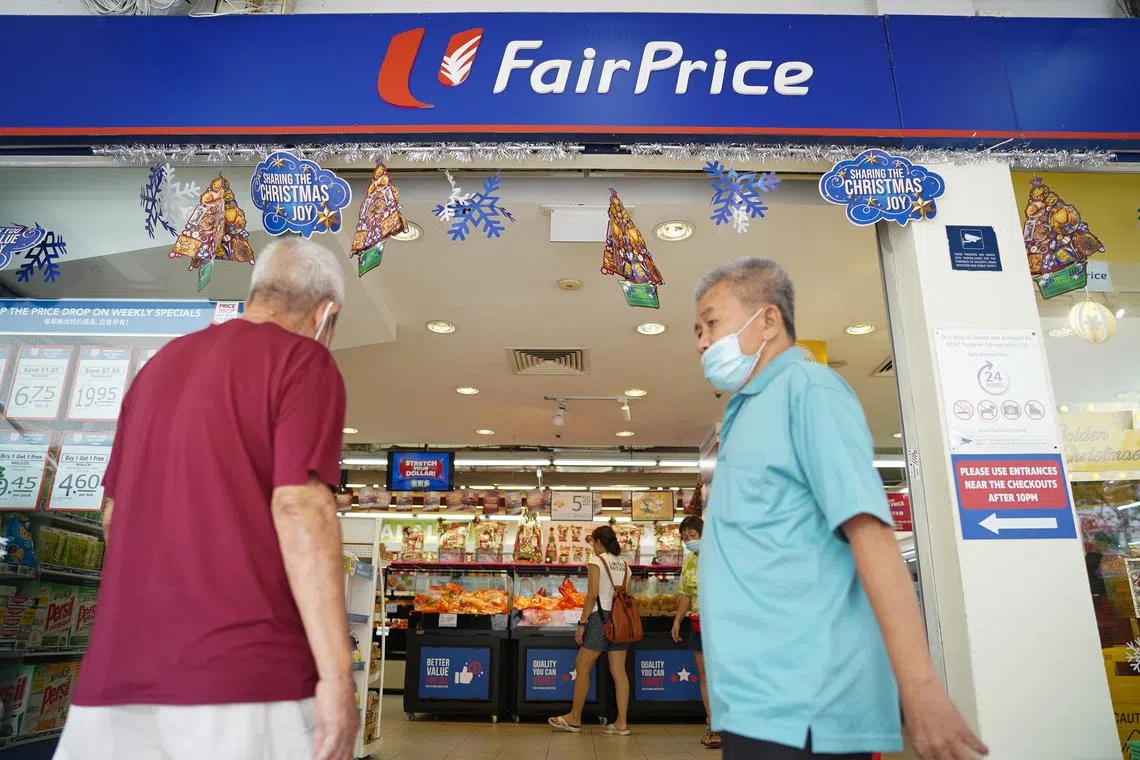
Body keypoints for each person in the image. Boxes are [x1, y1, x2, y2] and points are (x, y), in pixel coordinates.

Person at [56, 237, 358, 760]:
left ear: (255, 294)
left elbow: (113, 517)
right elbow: (300, 508)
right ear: (325, 313)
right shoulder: (302, 361)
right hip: (243, 679)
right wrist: (337, 678)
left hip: (116, 680)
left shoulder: (158, 368)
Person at [693, 257, 989, 760]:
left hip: (806, 699)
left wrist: (919, 687)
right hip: (754, 698)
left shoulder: (810, 391)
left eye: (712, 322)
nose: (701, 342)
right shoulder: (745, 411)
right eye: (697, 331)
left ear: (767, 320)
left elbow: (870, 534)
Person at [548, 525, 633, 736]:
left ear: (599, 542)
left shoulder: (596, 561)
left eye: (592, 542)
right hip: (621, 621)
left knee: (582, 665)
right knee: (619, 672)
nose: (592, 547)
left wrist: (582, 623)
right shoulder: (625, 565)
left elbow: (592, 594)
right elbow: (628, 597)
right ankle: (622, 723)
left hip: (599, 619)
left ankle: (575, 717)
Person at [671, 514, 720, 750]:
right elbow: (685, 594)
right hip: (698, 624)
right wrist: (678, 619)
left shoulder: (721, 555)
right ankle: (713, 727)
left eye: (692, 535)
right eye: (684, 537)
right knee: (705, 677)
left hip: (722, 624)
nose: (689, 540)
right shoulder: (689, 561)